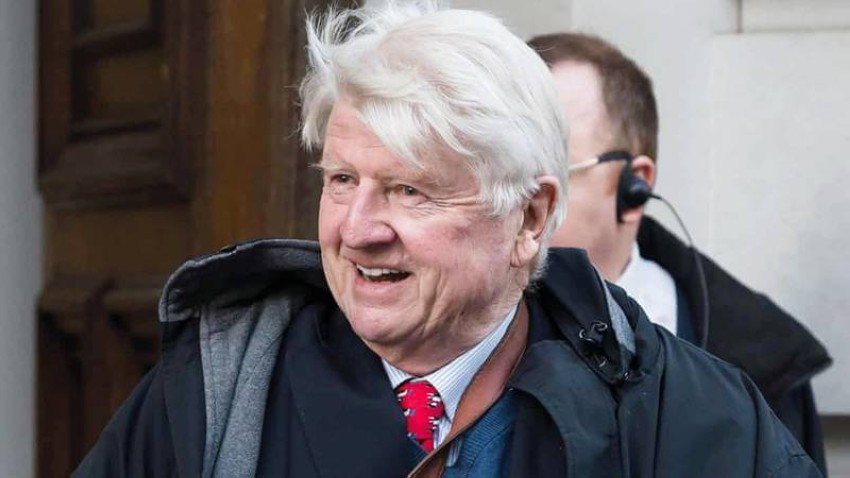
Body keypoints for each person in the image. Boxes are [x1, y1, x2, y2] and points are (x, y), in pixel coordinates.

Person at [74, 3, 821, 477]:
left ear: (530, 218)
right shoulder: (220, 386)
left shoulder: (682, 412)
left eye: (411, 190)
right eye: (342, 180)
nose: (358, 230)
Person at [528, 32, 832, 473]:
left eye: (551, 173)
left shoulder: (761, 366)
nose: (519, 201)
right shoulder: (455, 340)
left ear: (635, 186)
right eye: (504, 172)